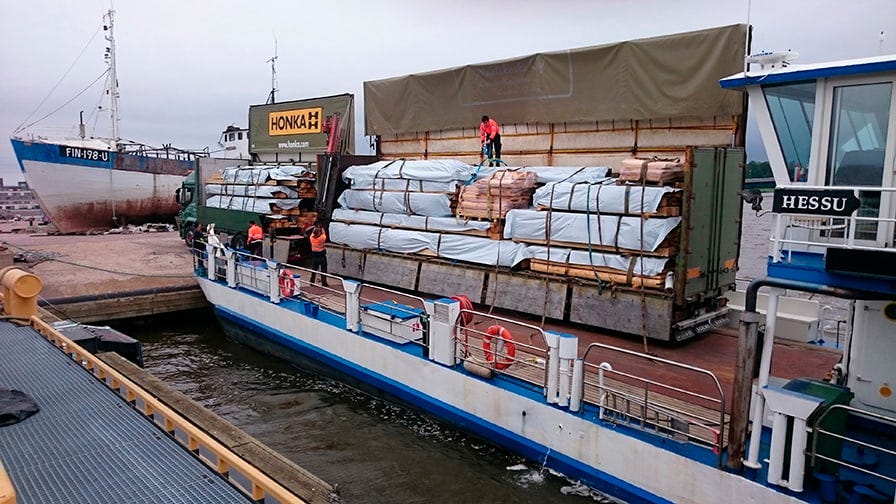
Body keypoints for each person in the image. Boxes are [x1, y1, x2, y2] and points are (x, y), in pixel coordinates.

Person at [306, 221, 329, 287]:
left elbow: (313, 233)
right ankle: (324, 282)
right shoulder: (322, 238)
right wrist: (321, 228)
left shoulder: (311, 238)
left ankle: (312, 281)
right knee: (324, 270)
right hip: (322, 255)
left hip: (315, 256)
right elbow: (324, 233)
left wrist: (315, 227)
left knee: (314, 269)